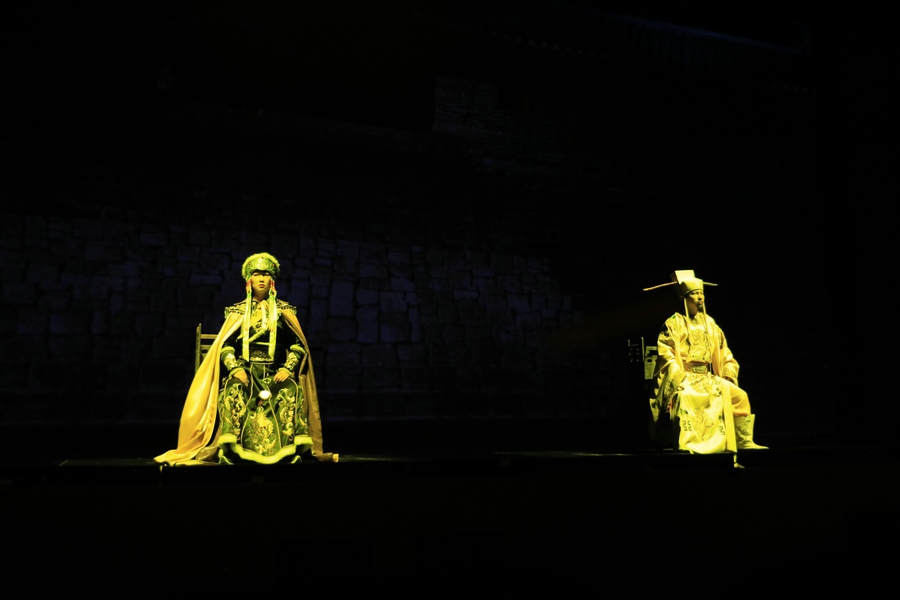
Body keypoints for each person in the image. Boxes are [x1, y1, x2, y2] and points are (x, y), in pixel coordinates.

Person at [155, 252, 337, 465]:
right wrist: (235, 369)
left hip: (274, 373)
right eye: (257, 274)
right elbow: (226, 346)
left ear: (272, 280)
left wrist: (287, 368)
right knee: (233, 388)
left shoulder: (284, 311)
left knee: (290, 389)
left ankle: (286, 451)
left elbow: (297, 345)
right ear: (249, 279)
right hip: (246, 372)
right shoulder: (238, 312)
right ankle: (234, 449)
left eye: (266, 274)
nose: (262, 279)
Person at [646, 270, 765, 453]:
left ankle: (742, 439)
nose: (700, 297)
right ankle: (687, 442)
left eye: (701, 293)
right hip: (684, 377)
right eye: (695, 293)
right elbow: (666, 354)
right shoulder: (673, 322)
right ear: (684, 297)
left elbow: (725, 352)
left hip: (708, 378)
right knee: (685, 397)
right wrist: (678, 378)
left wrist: (727, 373)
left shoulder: (710, 323)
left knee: (740, 396)